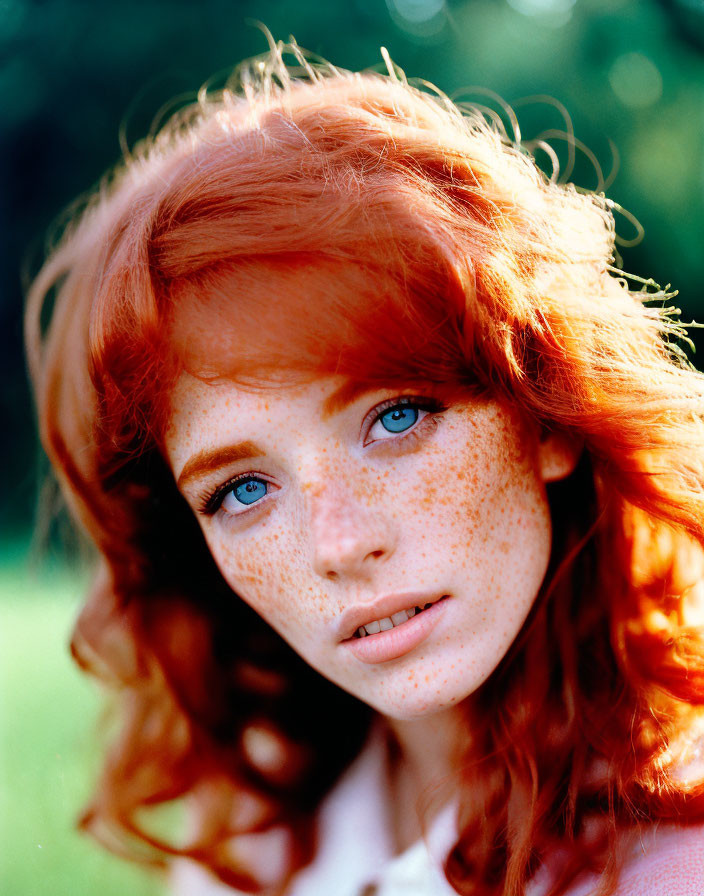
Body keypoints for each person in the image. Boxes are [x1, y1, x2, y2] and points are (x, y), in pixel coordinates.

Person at [25, 38, 704, 896]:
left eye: (397, 417)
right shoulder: (254, 832)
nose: (337, 545)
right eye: (242, 489)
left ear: (548, 418)